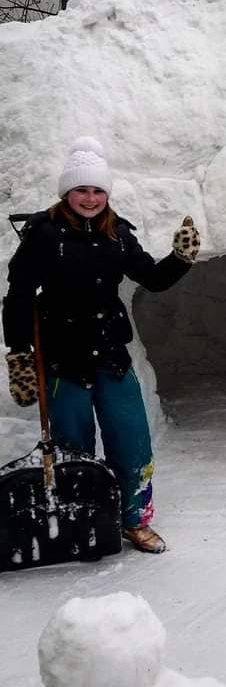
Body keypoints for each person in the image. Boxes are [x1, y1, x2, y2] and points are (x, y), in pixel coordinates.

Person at [2, 136, 200, 554]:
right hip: (62, 362)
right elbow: (18, 296)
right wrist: (20, 356)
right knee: (74, 447)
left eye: (97, 190)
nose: (90, 198)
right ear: (67, 193)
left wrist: (180, 258)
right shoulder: (42, 234)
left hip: (111, 356)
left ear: (106, 194)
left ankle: (135, 520)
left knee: (132, 441)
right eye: (81, 190)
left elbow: (152, 278)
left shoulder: (118, 235)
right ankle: (85, 519)